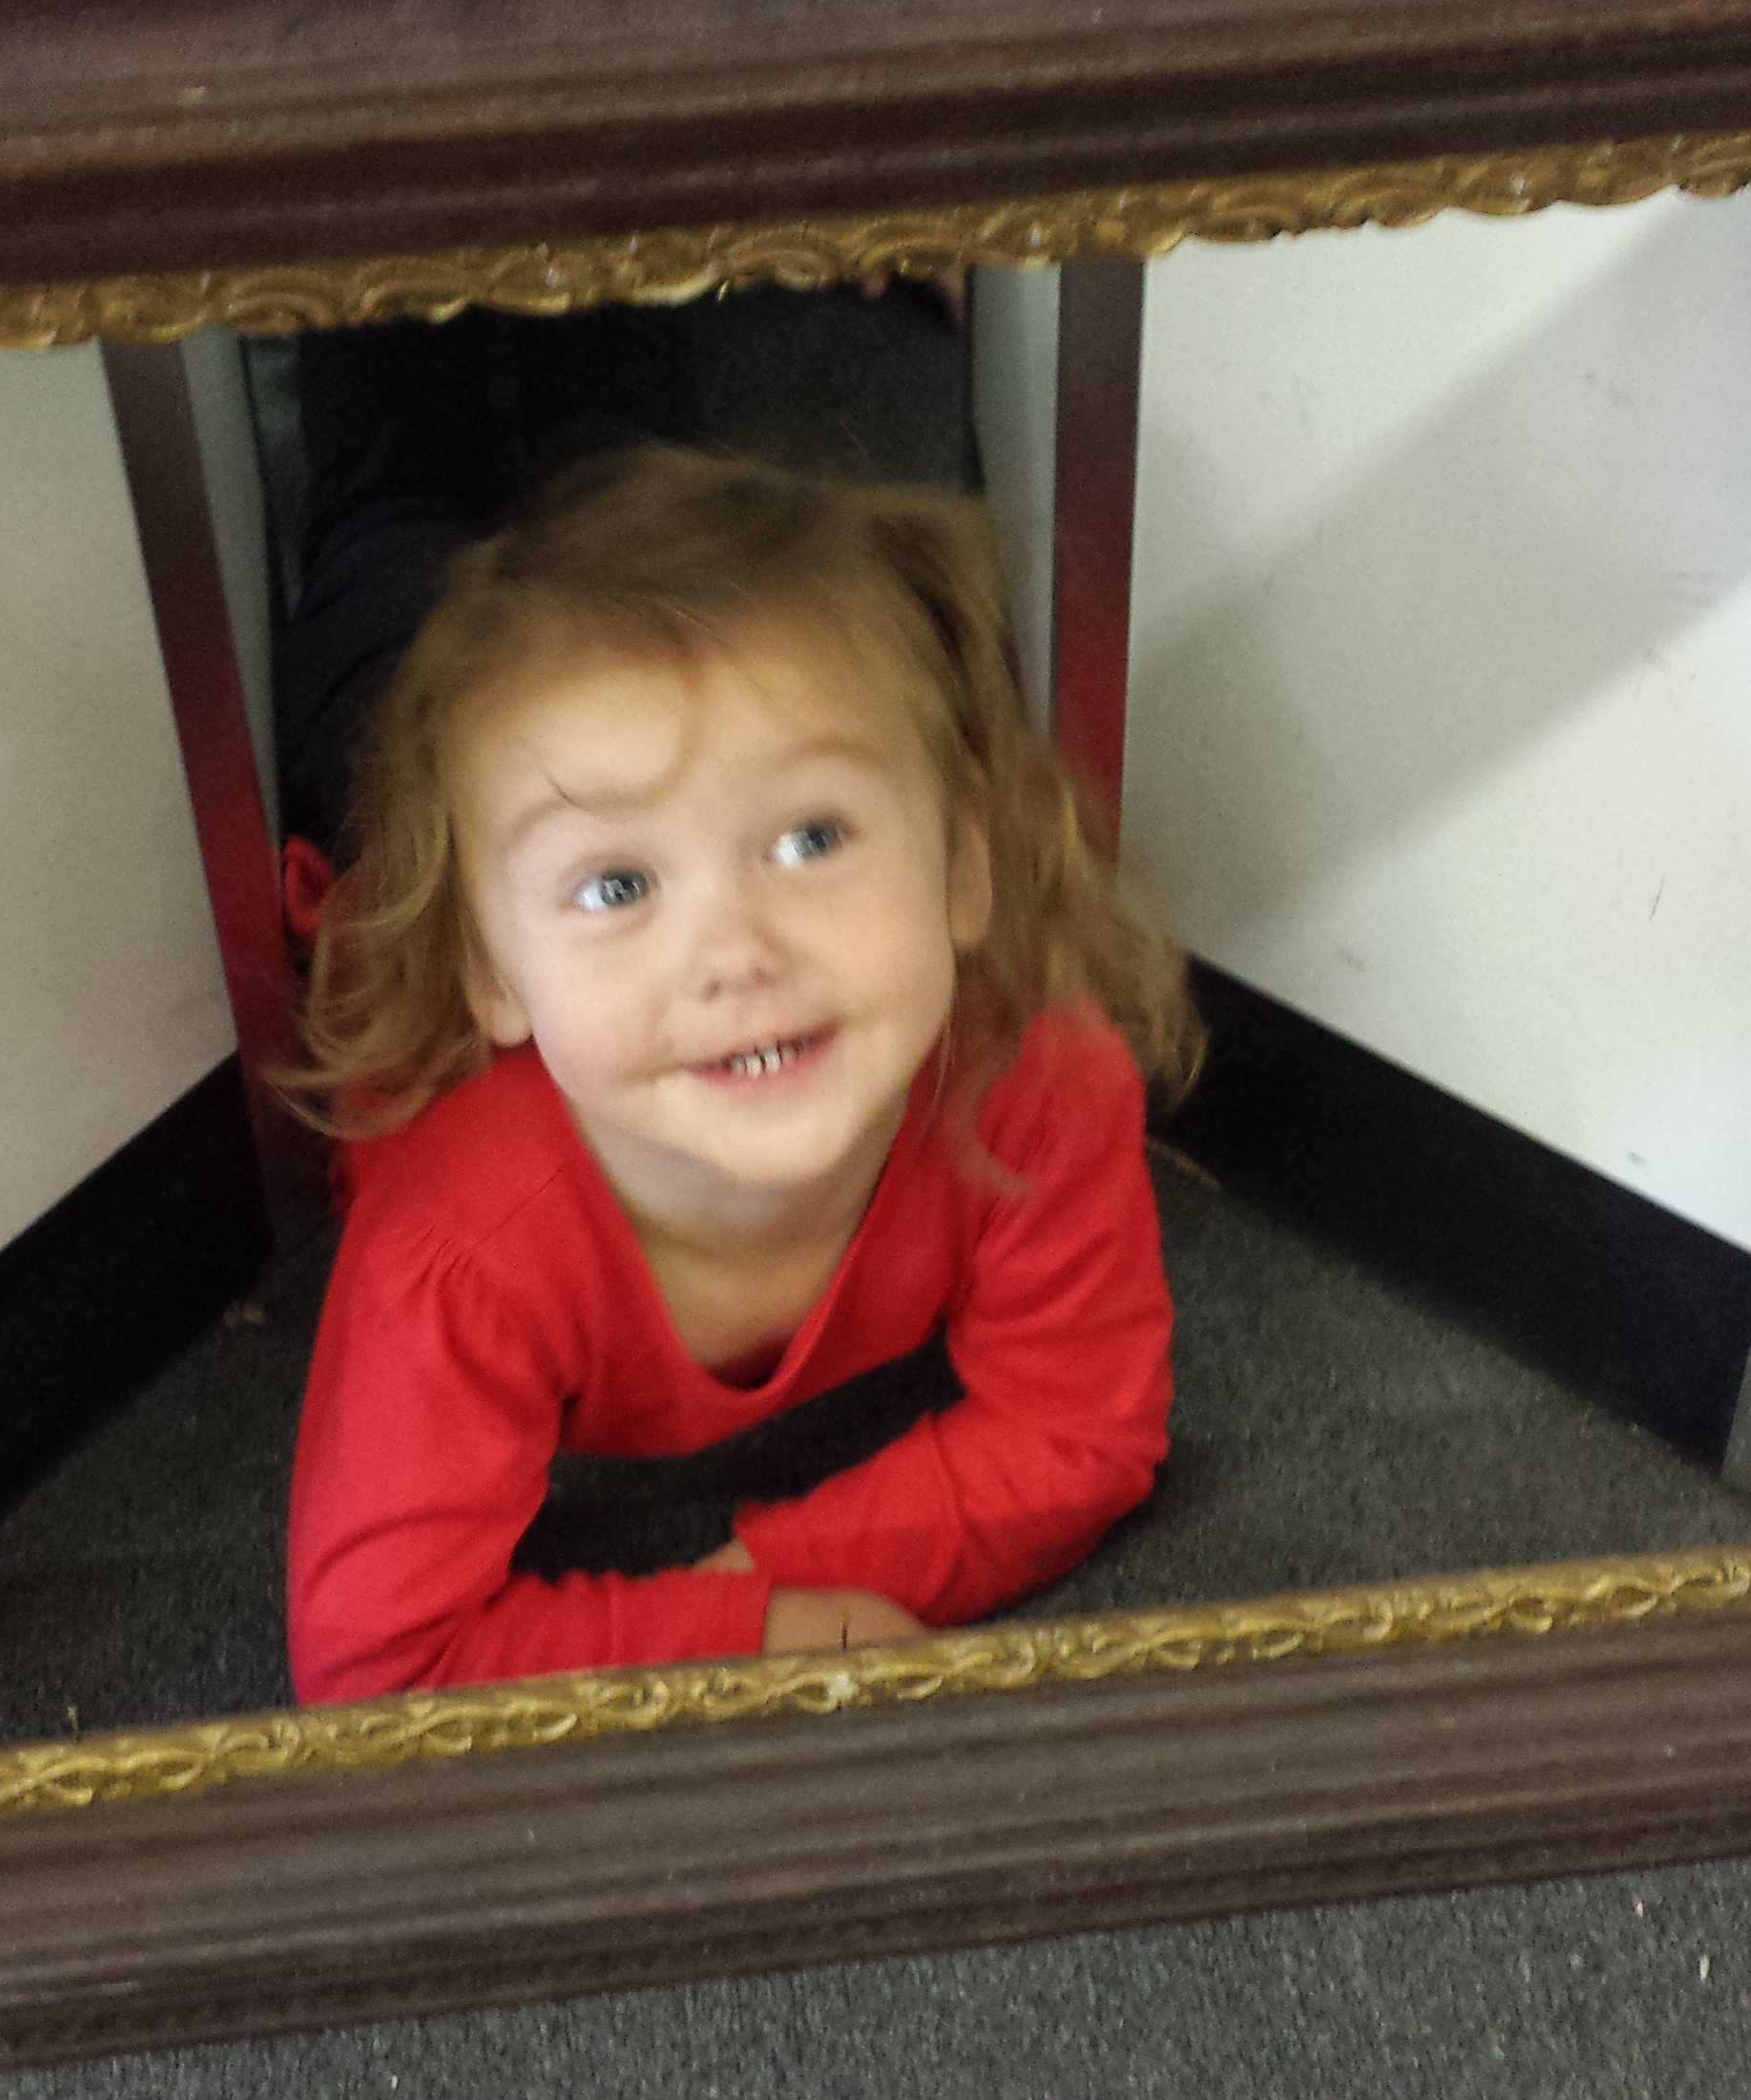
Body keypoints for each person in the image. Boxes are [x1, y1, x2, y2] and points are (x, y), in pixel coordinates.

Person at [280, 443, 1198, 1705]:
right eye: (617, 885)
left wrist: (763, 1583)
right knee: (387, 510)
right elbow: (379, 1667)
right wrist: (745, 1634)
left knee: (593, 402)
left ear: (963, 862)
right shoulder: (451, 1253)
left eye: (810, 837)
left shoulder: (1039, 1084)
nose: (734, 955)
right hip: (370, 779)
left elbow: (1078, 1431)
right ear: (490, 973)